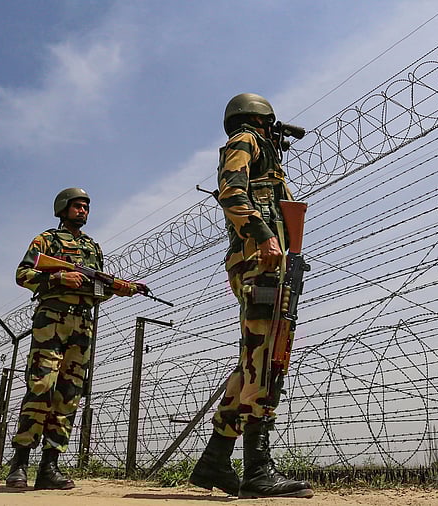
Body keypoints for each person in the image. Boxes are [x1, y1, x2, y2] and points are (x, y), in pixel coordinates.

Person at [188, 93, 313, 498]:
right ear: (262, 120)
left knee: (253, 361)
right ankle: (258, 470)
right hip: (259, 259)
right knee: (267, 357)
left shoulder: (265, 156)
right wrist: (263, 235)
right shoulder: (246, 140)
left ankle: (215, 462)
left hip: (267, 260)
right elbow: (230, 191)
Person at [5, 188, 148, 490]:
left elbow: (95, 290)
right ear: (63, 209)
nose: (83, 211)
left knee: (70, 393)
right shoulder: (46, 240)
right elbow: (22, 274)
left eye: (86, 207)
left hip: (83, 323)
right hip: (52, 320)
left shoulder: (93, 247)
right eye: (77, 206)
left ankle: (50, 465)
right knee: (41, 385)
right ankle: (19, 462)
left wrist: (120, 288)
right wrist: (58, 277)